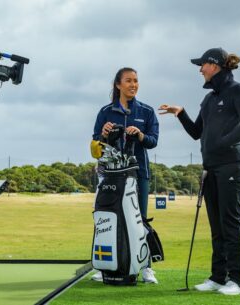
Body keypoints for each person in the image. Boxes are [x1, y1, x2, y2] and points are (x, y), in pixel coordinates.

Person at [159, 48, 240, 295]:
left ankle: (237, 281)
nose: (200, 69)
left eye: (202, 65)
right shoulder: (210, 99)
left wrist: (224, 141)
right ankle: (218, 277)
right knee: (217, 226)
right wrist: (180, 114)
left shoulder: (238, 91)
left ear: (214, 65)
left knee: (231, 223)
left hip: (232, 165)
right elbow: (196, 133)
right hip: (210, 169)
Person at [92, 67, 159, 283]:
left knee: (140, 220)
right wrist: (102, 135)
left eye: (136, 81)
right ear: (118, 84)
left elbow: (153, 141)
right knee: (107, 218)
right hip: (109, 175)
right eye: (128, 81)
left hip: (138, 174)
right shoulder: (105, 112)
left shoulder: (147, 111)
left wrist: (139, 135)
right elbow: (95, 144)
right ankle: (105, 264)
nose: (133, 85)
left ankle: (146, 267)